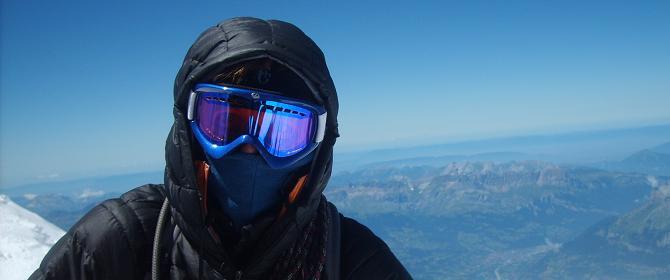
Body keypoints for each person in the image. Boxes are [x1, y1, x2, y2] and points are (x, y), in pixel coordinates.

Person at [30, 17, 411, 279]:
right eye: (224, 120)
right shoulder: (121, 241)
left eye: (283, 131)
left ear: (318, 145)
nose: (249, 148)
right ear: (187, 125)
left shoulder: (355, 261)